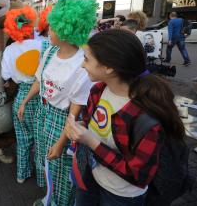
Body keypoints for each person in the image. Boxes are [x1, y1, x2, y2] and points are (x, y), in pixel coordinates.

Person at [67, 29, 185, 206]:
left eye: (86, 59)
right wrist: (81, 126)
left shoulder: (145, 117)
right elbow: (96, 123)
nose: (82, 65)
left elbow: (137, 175)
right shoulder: (98, 90)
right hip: (92, 176)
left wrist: (91, 142)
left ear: (109, 67)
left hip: (121, 195)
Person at [19, 0, 97, 206]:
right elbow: (39, 80)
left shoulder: (83, 62)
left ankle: (59, 202)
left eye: (52, 27)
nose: (47, 30)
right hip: (43, 114)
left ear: (66, 30)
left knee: (62, 169)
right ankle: (49, 198)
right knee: (46, 163)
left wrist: (62, 142)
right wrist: (25, 101)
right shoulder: (50, 50)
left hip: (63, 122)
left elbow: (76, 110)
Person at [1, 6, 41, 185]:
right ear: (30, 23)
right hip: (41, 96)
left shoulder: (9, 50)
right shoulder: (43, 44)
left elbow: (5, 77)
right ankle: (42, 178)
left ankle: (21, 174)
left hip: (21, 96)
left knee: (23, 139)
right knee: (40, 142)